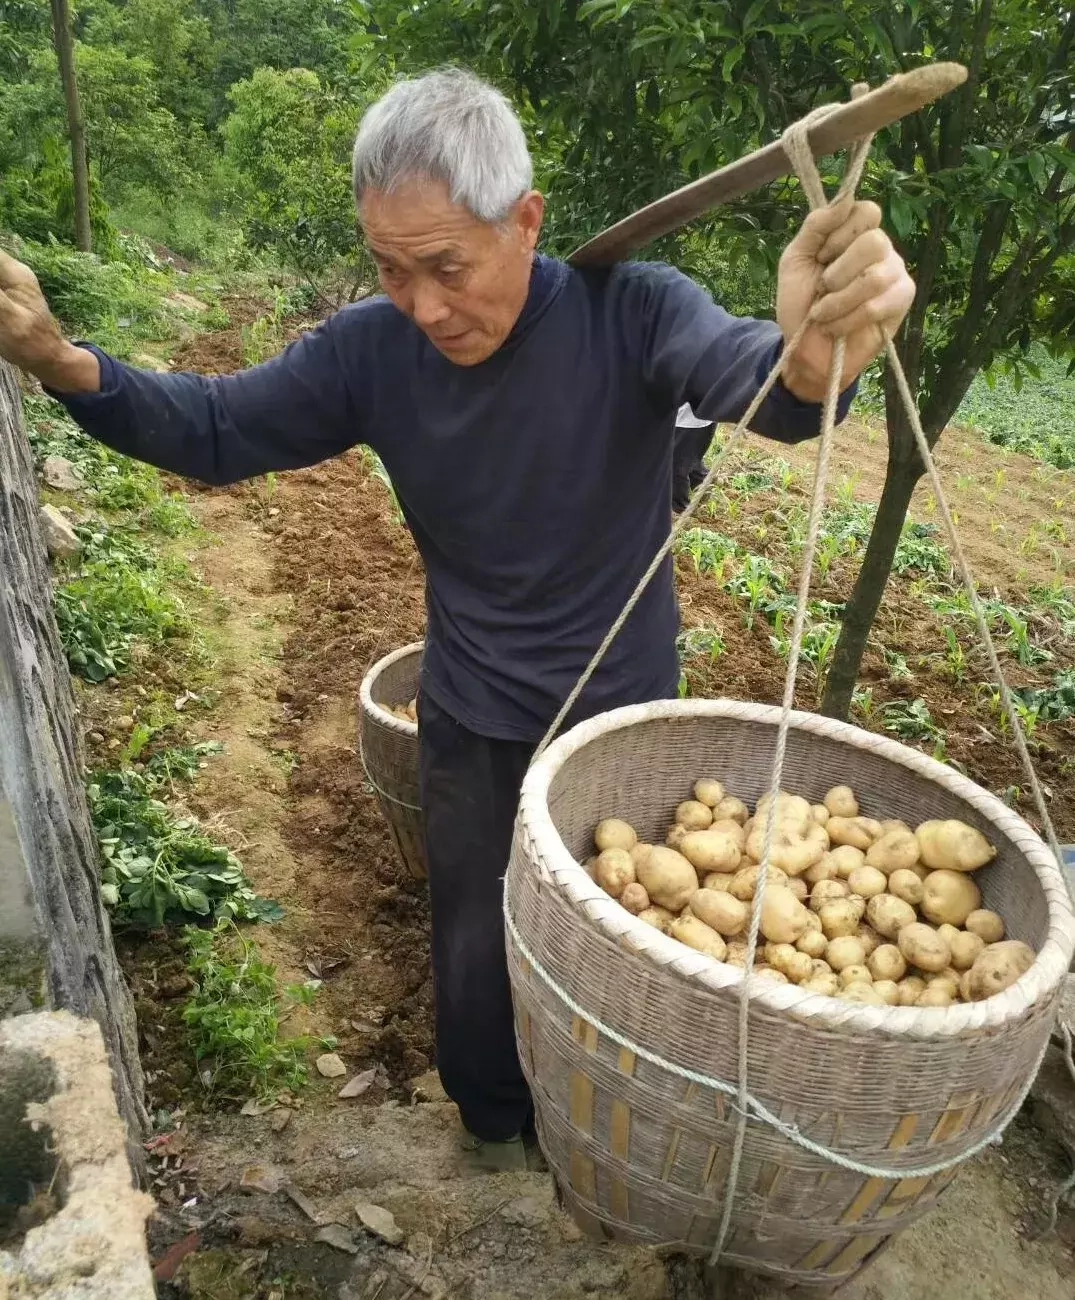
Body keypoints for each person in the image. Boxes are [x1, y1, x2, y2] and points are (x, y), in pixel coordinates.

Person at [0, 68, 914, 1170]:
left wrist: (819, 349)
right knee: (476, 955)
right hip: (473, 715)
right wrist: (58, 359)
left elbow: (760, 385)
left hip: (619, 720)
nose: (425, 305)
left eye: (446, 266)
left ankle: (618, 1143)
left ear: (524, 222)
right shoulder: (373, 352)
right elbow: (216, 426)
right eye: (391, 268)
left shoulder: (634, 313)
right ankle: (494, 1138)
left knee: (630, 950)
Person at [672, 403, 717, 513]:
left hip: (689, 422)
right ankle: (703, 482)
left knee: (676, 466)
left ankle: (679, 509)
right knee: (690, 458)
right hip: (699, 419)